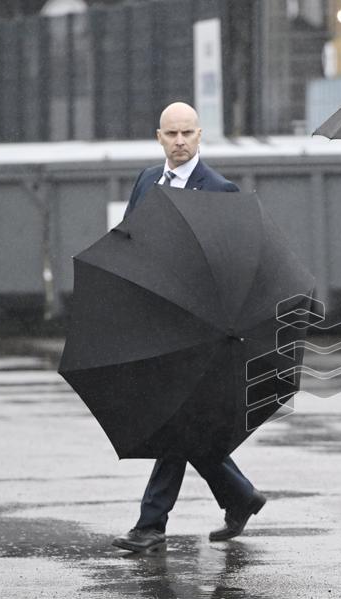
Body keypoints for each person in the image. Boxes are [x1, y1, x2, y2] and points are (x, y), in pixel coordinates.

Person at [112, 101, 266, 553]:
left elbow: (232, 265)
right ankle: (240, 496)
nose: (180, 142)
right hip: (154, 323)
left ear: (200, 136)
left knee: (174, 422)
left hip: (197, 331)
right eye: (171, 134)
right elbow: (129, 239)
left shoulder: (219, 190)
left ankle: (150, 525)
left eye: (188, 134)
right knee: (183, 425)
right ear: (159, 137)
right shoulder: (146, 180)